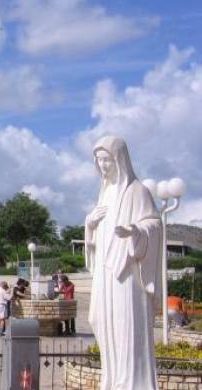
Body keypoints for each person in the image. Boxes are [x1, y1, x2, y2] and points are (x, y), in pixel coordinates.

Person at [85, 136, 162, 390]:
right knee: (100, 320)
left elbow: (154, 224)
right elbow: (96, 240)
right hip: (105, 276)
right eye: (99, 161)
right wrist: (89, 225)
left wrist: (136, 231)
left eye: (107, 159)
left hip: (127, 274)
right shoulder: (104, 193)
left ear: (120, 159)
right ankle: (113, 380)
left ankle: (132, 383)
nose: (103, 166)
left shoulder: (138, 191)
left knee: (126, 328)